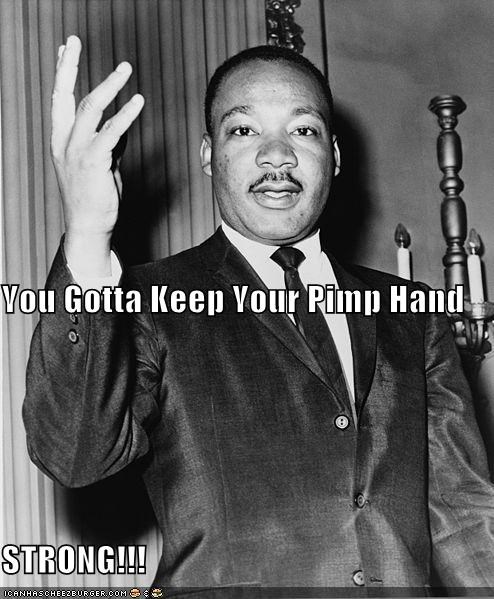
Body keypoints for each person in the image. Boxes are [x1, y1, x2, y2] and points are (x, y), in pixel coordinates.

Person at [24, 35, 494, 592]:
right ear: (209, 154)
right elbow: (76, 454)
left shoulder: (413, 314)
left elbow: (463, 516)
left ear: (334, 156)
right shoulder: (146, 301)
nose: (277, 156)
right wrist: (86, 230)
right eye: (244, 130)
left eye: (303, 130)